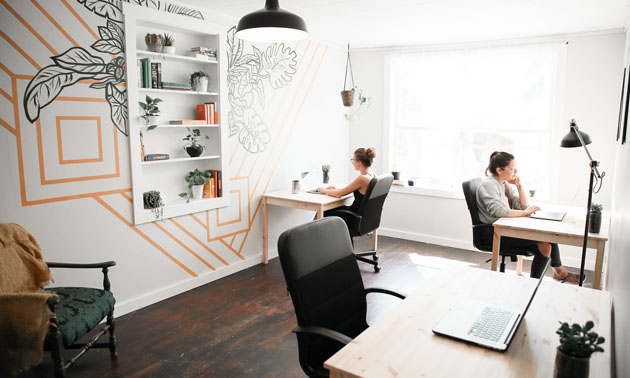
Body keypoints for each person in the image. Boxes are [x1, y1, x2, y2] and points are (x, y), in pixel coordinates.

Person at [476, 151, 581, 284]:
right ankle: (539, 282)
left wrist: (519, 186)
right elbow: (498, 211)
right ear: (499, 170)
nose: (516, 171)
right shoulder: (489, 185)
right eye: (512, 168)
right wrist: (525, 213)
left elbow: (523, 205)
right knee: (546, 245)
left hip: (506, 228)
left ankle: (558, 274)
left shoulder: (504, 184)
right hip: (494, 232)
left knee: (548, 236)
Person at [317, 147, 376, 214]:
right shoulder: (373, 175)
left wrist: (322, 190)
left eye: (353, 160)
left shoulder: (363, 178)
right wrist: (335, 190)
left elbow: (338, 194)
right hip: (362, 216)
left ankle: (314, 225)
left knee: (322, 212)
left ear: (359, 162)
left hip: (353, 216)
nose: (352, 162)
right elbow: (349, 189)